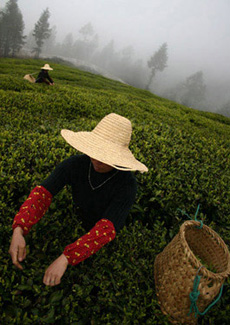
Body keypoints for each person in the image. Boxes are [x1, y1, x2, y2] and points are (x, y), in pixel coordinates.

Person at [9, 113, 148, 286]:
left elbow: (107, 228)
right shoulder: (75, 164)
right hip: (78, 215)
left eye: (106, 155)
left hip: (98, 232)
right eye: (95, 151)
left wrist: (66, 258)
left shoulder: (127, 185)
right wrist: (19, 228)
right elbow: (43, 193)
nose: (97, 160)